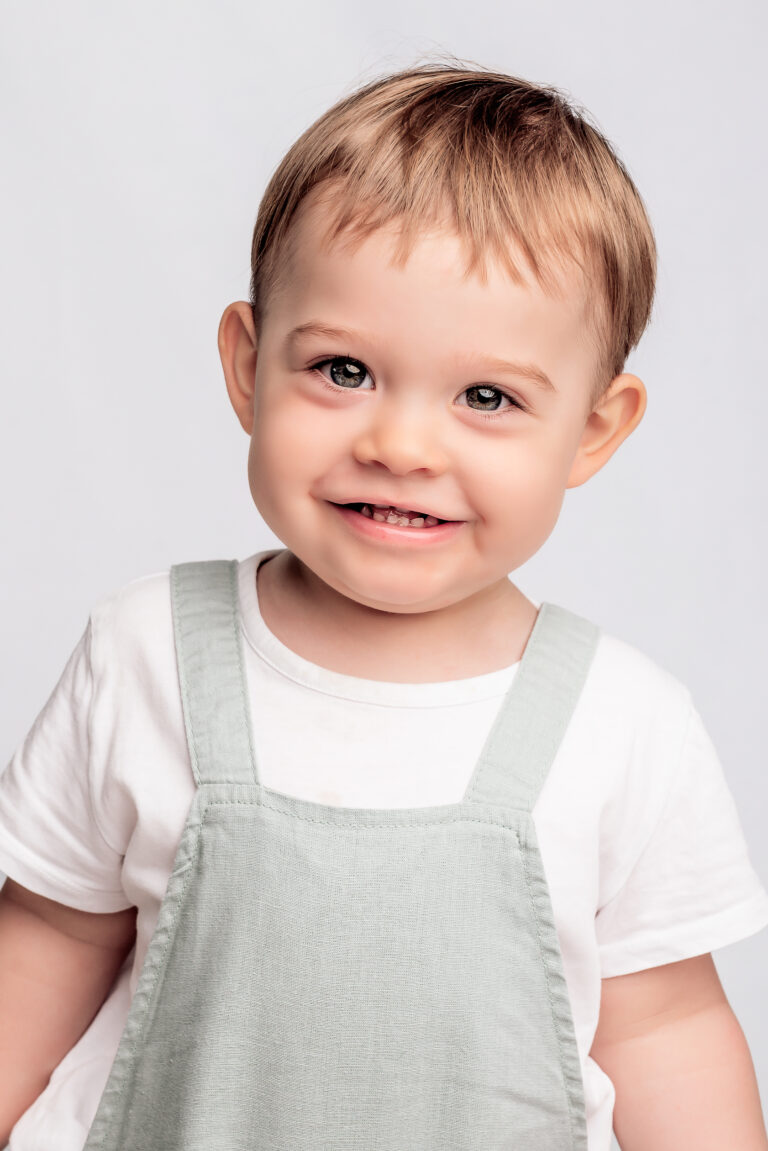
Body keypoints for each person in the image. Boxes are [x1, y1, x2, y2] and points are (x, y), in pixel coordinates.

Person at [0, 62, 766, 1151]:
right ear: (248, 366)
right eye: (344, 370)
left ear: (592, 432)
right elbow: (46, 941)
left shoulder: (625, 723)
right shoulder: (146, 655)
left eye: (487, 396)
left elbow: (667, 1026)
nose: (401, 445)